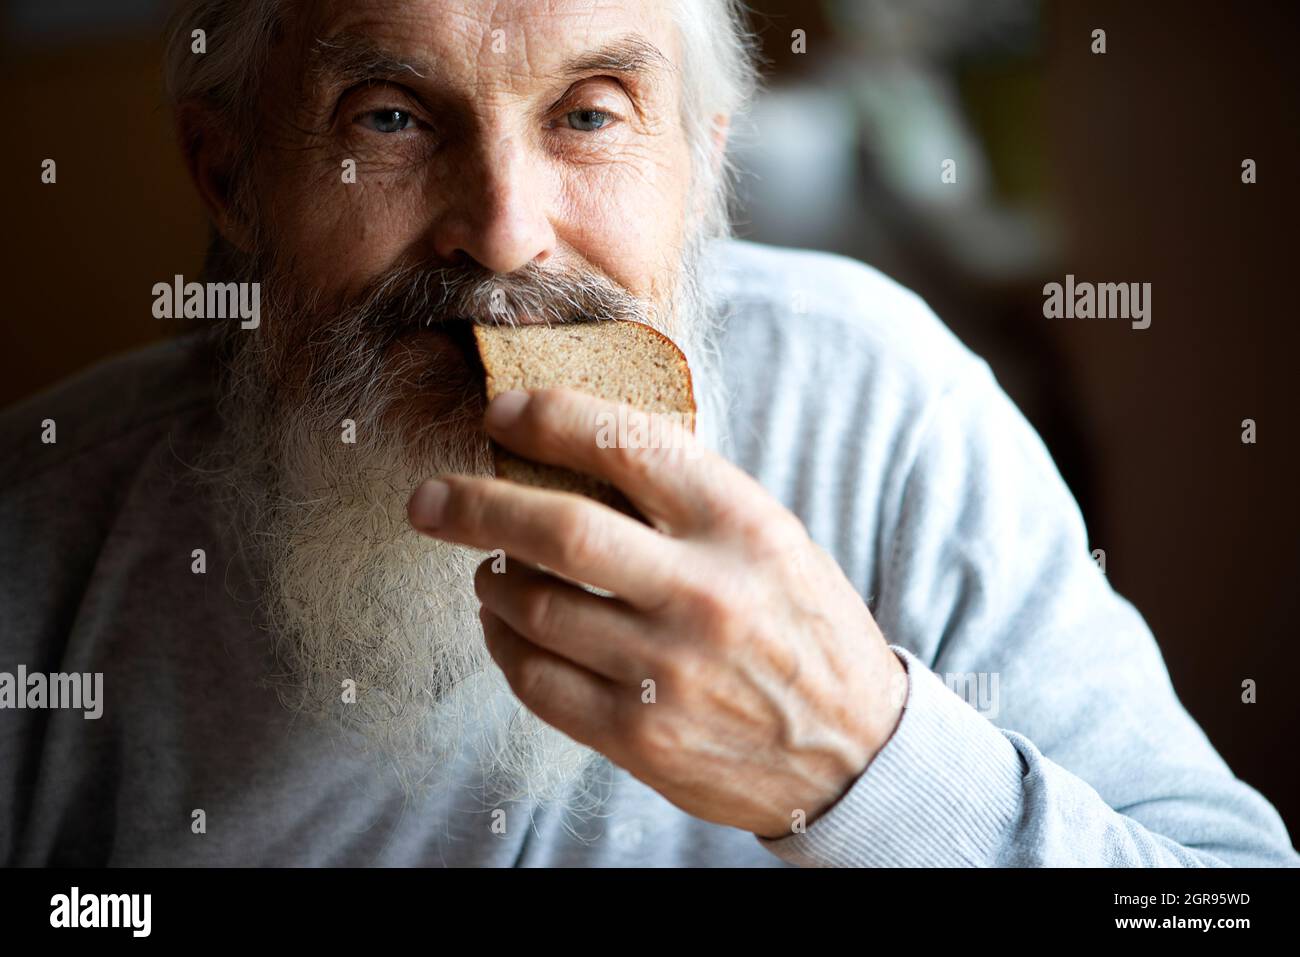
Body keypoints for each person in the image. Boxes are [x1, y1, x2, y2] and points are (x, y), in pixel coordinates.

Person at [1, 0, 1295, 867]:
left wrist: (862, 759)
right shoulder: (44, 534)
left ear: (700, 164)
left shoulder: (887, 411)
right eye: (390, 116)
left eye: (591, 114)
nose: (504, 231)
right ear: (229, 175)